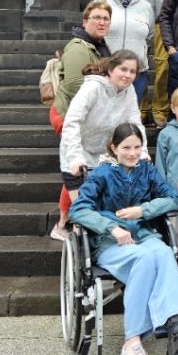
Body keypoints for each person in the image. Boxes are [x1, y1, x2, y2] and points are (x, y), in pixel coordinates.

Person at [69, 123, 178, 355]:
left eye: (137, 147)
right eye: (126, 147)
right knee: (147, 257)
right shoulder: (102, 174)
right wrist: (111, 227)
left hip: (144, 235)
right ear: (114, 148)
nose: (132, 153)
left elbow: (172, 198)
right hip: (111, 243)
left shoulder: (147, 170)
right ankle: (131, 345)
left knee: (165, 252)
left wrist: (143, 210)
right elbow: (77, 210)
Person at [53, 50, 147, 240]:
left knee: (103, 208)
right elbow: (72, 121)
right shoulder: (92, 88)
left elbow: (135, 123)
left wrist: (142, 151)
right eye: (123, 69)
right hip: (77, 149)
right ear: (111, 69)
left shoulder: (128, 91)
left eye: (132, 71)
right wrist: (75, 157)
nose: (128, 75)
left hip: (103, 154)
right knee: (84, 210)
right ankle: (62, 227)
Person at [94, 0, 155, 103]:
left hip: (135, 73)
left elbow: (149, 35)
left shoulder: (146, 7)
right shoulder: (102, 0)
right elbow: (92, 30)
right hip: (106, 69)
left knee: (129, 114)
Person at [51, 0, 111, 135]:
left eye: (106, 19)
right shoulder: (78, 47)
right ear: (85, 22)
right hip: (69, 112)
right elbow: (75, 85)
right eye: (96, 18)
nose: (102, 22)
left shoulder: (101, 46)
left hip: (88, 111)